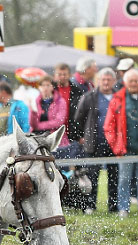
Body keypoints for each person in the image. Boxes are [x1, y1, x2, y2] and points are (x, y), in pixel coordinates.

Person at [74, 67, 118, 213]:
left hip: (115, 144)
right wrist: (82, 136)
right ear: (98, 80)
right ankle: (90, 206)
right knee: (92, 176)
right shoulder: (89, 97)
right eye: (103, 79)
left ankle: (113, 207)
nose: (106, 82)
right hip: (94, 143)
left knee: (114, 177)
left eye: (109, 80)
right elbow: (78, 118)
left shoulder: (118, 97)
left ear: (114, 81)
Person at [104, 68, 138, 219]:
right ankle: (123, 208)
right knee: (124, 179)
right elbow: (108, 126)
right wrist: (116, 147)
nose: (134, 83)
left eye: (136, 81)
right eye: (131, 81)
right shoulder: (117, 99)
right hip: (126, 149)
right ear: (125, 82)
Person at [29, 75, 69, 149]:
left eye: (48, 85)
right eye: (43, 85)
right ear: (39, 87)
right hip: (36, 138)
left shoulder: (60, 101)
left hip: (54, 138)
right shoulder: (35, 101)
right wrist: (32, 111)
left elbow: (59, 121)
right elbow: (32, 124)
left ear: (52, 87)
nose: (45, 88)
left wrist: (39, 126)